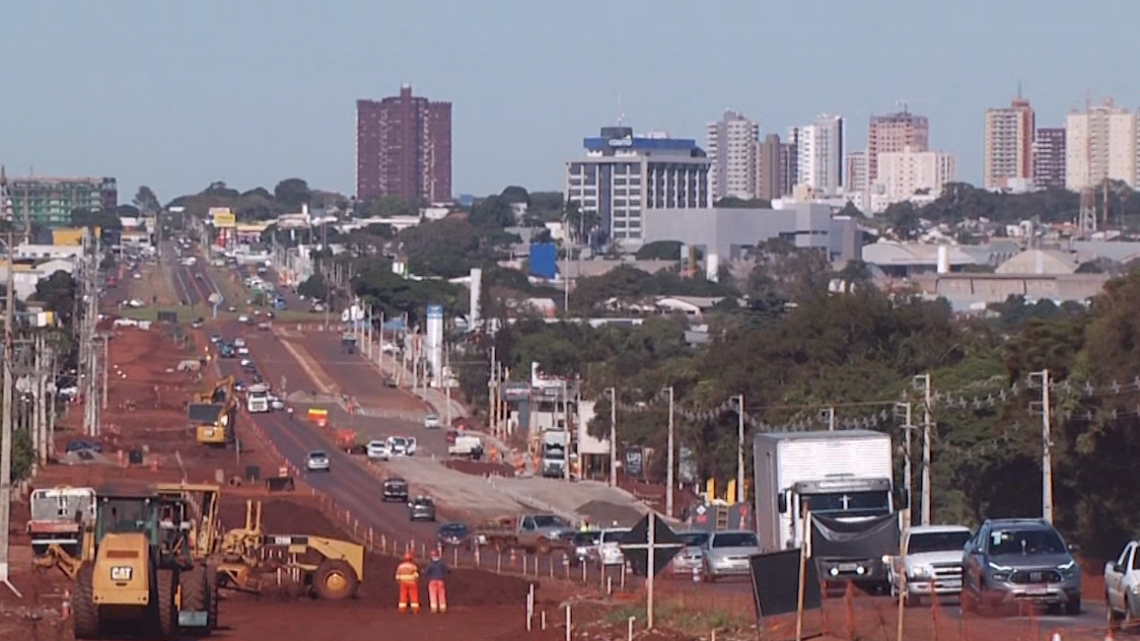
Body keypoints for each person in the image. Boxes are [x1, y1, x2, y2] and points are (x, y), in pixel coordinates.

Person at [424, 549, 449, 613]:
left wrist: (422, 572)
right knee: (441, 594)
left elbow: (426, 571)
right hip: (440, 580)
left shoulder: (430, 564)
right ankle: (443, 608)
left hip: (432, 581)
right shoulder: (441, 563)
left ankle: (434, 608)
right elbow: (447, 569)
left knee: (433, 594)